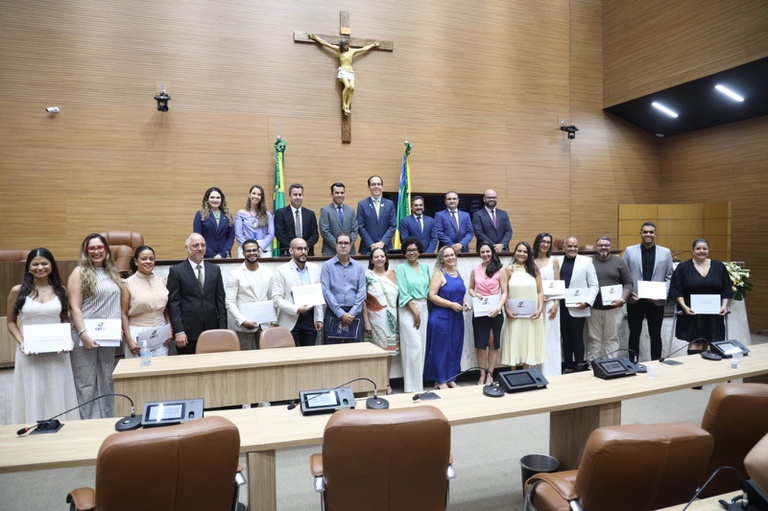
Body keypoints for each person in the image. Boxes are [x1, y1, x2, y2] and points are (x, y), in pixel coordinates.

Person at [7, 248, 79, 424]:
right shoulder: (18, 291)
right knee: (33, 389)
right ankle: (33, 427)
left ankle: (59, 426)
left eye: (44, 263)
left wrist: (67, 338)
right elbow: (10, 322)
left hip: (57, 351)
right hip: (29, 352)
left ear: (51, 266)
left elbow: (64, 318)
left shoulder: (60, 290)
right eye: (35, 264)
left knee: (56, 388)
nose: (40, 267)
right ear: (29, 268)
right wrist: (22, 341)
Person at [67, 234, 123, 419]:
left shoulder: (112, 272)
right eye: (92, 248)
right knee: (86, 383)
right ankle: (86, 424)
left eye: (100, 247)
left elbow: (115, 304)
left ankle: (105, 422)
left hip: (108, 336)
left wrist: (119, 328)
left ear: (106, 250)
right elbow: (74, 306)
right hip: (84, 336)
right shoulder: (79, 272)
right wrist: (83, 335)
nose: (96, 251)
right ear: (86, 251)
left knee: (106, 380)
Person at [167, 233, 227, 354]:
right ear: (187, 248)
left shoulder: (215, 270)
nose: (200, 248)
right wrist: (178, 331)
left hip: (212, 331)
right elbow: (174, 304)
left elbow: (220, 301)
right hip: (187, 333)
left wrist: (223, 329)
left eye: (202, 245)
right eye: (195, 245)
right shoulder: (176, 271)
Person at [622, 222, 674, 362]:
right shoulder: (629, 251)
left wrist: (661, 294)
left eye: (651, 232)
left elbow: (669, 276)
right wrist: (628, 292)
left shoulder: (665, 252)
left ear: (656, 234)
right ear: (640, 233)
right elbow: (623, 275)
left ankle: (657, 362)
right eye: (645, 232)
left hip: (656, 301)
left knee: (655, 333)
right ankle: (632, 362)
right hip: (635, 299)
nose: (648, 235)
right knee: (634, 333)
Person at [670, 238, 733, 354]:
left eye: (704, 248)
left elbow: (727, 289)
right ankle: (694, 369)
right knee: (695, 342)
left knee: (711, 342)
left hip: (714, 313)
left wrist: (724, 306)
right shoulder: (683, 267)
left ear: (708, 250)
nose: (701, 251)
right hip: (692, 312)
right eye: (698, 248)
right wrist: (684, 307)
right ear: (692, 251)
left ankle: (707, 369)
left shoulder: (719, 266)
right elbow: (676, 290)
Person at [425, 246, 470, 389]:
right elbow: (431, 296)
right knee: (441, 349)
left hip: (456, 318)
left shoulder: (457, 273)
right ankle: (440, 380)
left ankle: (451, 377)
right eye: (447, 256)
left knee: (455, 348)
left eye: (452, 255)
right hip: (441, 317)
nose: (450, 258)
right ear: (441, 259)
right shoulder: (439, 274)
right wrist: (451, 304)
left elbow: (458, 294)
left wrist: (464, 303)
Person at [308, 34, 380, 116]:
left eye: (347, 45)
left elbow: (363, 49)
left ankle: (348, 106)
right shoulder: (338, 50)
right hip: (343, 71)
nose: (346, 47)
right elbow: (326, 44)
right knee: (348, 86)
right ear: (342, 46)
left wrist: (373, 45)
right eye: (345, 45)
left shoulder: (352, 51)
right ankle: (344, 105)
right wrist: (315, 38)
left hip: (350, 72)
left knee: (352, 88)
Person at [555, 236, 598, 373]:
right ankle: (567, 366)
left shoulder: (586, 262)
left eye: (575, 246)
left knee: (577, 337)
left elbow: (594, 285)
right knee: (564, 337)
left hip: (579, 306)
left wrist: (587, 302)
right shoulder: (557, 261)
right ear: (564, 248)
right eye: (569, 246)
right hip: (560, 305)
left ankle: (579, 366)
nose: (572, 249)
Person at [120, 245, 172, 358]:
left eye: (151, 259)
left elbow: (167, 310)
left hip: (160, 332)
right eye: (144, 259)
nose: (148, 262)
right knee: (138, 371)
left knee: (161, 371)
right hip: (137, 333)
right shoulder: (127, 283)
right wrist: (128, 339)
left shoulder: (162, 281)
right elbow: (123, 314)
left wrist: (170, 329)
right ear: (136, 261)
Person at [587, 237, 633, 362]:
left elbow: (628, 283)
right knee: (593, 339)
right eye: (600, 245)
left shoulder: (619, 262)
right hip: (593, 309)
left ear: (610, 247)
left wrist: (622, 300)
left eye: (606, 245)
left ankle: (611, 364)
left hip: (614, 309)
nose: (603, 248)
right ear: (596, 247)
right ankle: (592, 366)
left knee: (612, 339)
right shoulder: (588, 262)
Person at [467, 241, 508, 384]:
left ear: (492, 252)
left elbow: (504, 292)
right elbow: (470, 288)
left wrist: (498, 308)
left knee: (492, 343)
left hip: (495, 311)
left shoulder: (500, 270)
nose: (485, 254)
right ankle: (482, 374)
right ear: (479, 254)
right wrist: (475, 294)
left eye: (488, 251)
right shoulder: (475, 270)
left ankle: (490, 374)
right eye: (483, 252)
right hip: (480, 312)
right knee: (480, 344)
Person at [272, 238, 324, 346]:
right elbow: (277, 299)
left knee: (310, 354)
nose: (303, 252)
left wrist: (319, 318)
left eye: (305, 248)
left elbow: (318, 294)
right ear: (291, 251)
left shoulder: (315, 268)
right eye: (299, 249)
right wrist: (296, 309)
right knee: (291, 356)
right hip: (290, 319)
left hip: (310, 319)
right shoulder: (281, 270)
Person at [395, 237, 431, 394]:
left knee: (421, 347)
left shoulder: (425, 268)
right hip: (407, 308)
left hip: (423, 307)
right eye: (409, 250)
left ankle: (419, 387)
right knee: (412, 348)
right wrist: (415, 312)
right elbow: (402, 292)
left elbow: (430, 290)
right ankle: (411, 388)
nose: (412, 252)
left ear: (419, 251)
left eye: (415, 250)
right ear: (404, 252)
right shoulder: (400, 269)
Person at [501, 242, 545, 368]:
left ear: (529, 254)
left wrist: (540, 309)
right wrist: (507, 310)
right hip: (514, 315)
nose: (522, 254)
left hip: (532, 315)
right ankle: (512, 373)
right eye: (519, 251)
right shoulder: (508, 270)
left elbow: (540, 291)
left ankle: (526, 372)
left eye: (525, 252)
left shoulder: (534, 269)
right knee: (515, 341)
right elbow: (505, 292)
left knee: (529, 342)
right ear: (515, 252)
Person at [225, 239, 273, 350]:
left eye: (254, 250)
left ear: (259, 251)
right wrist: (242, 321)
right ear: (243, 253)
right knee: (248, 360)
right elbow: (229, 302)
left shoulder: (268, 272)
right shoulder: (235, 274)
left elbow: (272, 298)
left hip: (265, 325)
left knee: (267, 359)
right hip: (245, 328)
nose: (252, 253)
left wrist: (274, 320)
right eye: (248, 251)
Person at [363, 248, 399, 393]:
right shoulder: (367, 275)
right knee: (373, 354)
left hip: (391, 320)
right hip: (374, 320)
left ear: (386, 258)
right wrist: (366, 321)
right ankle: (373, 384)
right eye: (376, 256)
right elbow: (363, 300)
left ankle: (386, 383)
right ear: (371, 260)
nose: (379, 259)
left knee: (388, 354)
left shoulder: (393, 274)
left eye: (382, 256)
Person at [321, 233, 367, 343]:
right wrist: (341, 313)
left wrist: (351, 313)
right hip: (334, 311)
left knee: (354, 350)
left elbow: (362, 291)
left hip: (354, 313)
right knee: (332, 350)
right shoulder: (327, 266)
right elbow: (326, 291)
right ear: (336, 245)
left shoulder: (359, 267)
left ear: (351, 246)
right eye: (340, 243)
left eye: (346, 243)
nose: (343, 246)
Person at [533, 232, 562, 376]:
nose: (545, 244)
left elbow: (558, 284)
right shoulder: (530, 261)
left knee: (550, 337)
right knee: (536, 336)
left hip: (551, 303)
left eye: (548, 242)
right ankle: (535, 372)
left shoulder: (554, 261)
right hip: (536, 303)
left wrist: (556, 304)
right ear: (537, 242)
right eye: (543, 241)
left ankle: (551, 372)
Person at [274, 183, 319, 256]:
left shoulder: (310, 214)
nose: (298, 197)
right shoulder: (281, 213)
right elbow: (280, 235)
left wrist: (303, 248)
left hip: (307, 253)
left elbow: (315, 235)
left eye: (300, 195)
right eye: (295, 195)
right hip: (288, 253)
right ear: (289, 196)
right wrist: (295, 248)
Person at [357, 175, 396, 254]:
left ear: (382, 186)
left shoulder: (389, 204)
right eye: (373, 184)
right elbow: (360, 226)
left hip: (385, 247)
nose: (376, 187)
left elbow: (393, 226)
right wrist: (371, 244)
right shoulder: (362, 204)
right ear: (369, 187)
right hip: (367, 248)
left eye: (379, 184)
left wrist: (382, 242)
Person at [193, 186, 235, 259]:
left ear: (222, 199)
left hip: (224, 256)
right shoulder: (200, 214)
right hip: (205, 255)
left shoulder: (228, 216)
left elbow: (231, 237)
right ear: (207, 199)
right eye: (212, 197)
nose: (215, 200)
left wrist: (222, 254)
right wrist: (212, 255)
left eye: (218, 197)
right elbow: (198, 237)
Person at [234, 184, 274, 259]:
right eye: (254, 193)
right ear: (249, 195)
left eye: (259, 194)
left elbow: (271, 234)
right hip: (245, 248)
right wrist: (248, 247)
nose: (256, 196)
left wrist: (260, 248)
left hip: (263, 249)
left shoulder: (267, 214)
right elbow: (238, 233)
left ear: (261, 197)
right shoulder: (241, 213)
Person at [319, 182, 359, 256]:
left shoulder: (351, 210)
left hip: (349, 252)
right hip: (331, 252)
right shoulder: (325, 210)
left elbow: (354, 230)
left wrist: (348, 245)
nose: (340, 195)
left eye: (342, 193)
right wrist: (339, 246)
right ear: (331, 194)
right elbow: (325, 231)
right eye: (337, 193)